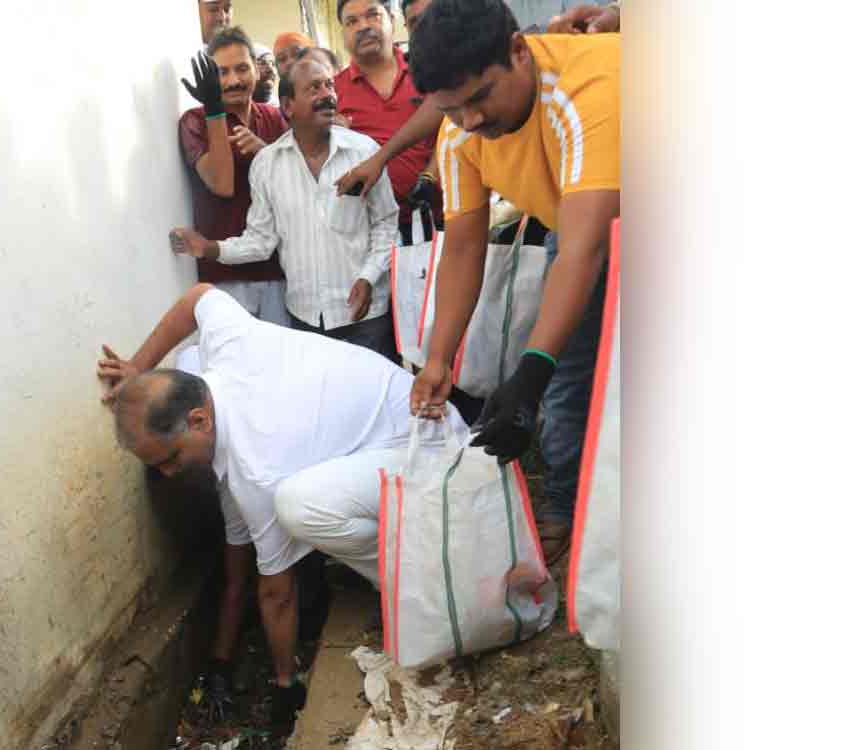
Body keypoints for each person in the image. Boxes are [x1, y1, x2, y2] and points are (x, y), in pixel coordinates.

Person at [96, 283, 447, 728]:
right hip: (392, 430)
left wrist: (285, 682)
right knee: (294, 503)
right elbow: (197, 296)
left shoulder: (257, 471)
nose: (168, 474)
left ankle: (416, 580)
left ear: (199, 420)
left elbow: (276, 593)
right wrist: (137, 368)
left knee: (299, 507)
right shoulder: (223, 354)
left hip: (426, 453)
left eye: (170, 458)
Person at [400, 0, 619, 565]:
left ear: (519, 51)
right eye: (451, 108)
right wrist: (438, 359)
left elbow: (587, 248)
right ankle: (567, 507)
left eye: (480, 97)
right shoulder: (459, 132)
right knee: (568, 377)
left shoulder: (585, 85)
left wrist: (529, 373)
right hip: (577, 225)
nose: (470, 120)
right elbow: (463, 246)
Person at [170, 58, 401, 362]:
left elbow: (386, 223)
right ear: (288, 106)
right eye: (314, 88)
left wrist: (369, 277)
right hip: (306, 320)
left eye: (329, 85)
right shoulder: (268, 164)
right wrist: (209, 248)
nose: (327, 95)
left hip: (367, 318)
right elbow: (261, 240)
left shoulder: (364, 152)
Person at [178, 27, 291, 326]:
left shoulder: (275, 118)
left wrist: (264, 152)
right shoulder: (195, 121)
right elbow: (222, 184)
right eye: (222, 72)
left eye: (242, 68)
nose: (233, 81)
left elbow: (297, 182)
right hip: (223, 276)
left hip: (277, 271)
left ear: (257, 69)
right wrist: (214, 110)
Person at [333, 0, 441, 244]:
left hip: (442, 219)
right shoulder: (332, 91)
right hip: (373, 234)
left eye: (373, 15)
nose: (363, 26)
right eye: (352, 21)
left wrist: (430, 177)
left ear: (392, 20)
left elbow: (454, 128)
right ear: (343, 33)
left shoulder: (429, 71)